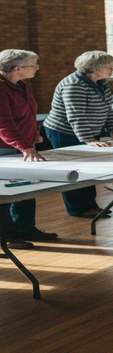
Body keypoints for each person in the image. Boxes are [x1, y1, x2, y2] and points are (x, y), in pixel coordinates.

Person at [43, 51, 113, 218]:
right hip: (64, 131)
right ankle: (78, 208)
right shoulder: (74, 84)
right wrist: (88, 139)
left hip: (86, 130)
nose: (112, 69)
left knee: (88, 168)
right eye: (109, 67)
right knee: (72, 170)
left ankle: (91, 205)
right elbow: (76, 114)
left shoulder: (100, 82)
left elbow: (107, 109)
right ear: (95, 68)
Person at [0, 49, 58, 249]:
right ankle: (7, 235)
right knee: (6, 192)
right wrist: (26, 147)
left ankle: (26, 228)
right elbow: (3, 124)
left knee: (28, 187)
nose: (37, 68)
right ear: (17, 68)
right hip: (5, 148)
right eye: (34, 65)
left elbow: (29, 113)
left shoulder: (22, 85)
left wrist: (34, 135)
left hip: (22, 145)